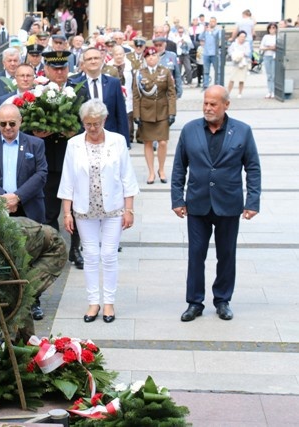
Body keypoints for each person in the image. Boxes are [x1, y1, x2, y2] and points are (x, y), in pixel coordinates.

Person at [171, 85, 261, 322]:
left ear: (226, 105)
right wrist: (177, 199)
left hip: (228, 204)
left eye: (213, 104)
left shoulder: (242, 131)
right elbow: (179, 166)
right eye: (205, 103)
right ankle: (194, 302)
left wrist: (253, 201)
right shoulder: (190, 130)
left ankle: (222, 300)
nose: (208, 108)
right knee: (195, 254)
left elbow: (252, 167)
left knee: (227, 254)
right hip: (197, 204)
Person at [57, 99, 139, 323]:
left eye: (96, 123)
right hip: (84, 209)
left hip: (113, 208)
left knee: (109, 255)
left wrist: (129, 209)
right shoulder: (74, 144)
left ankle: (109, 303)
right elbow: (68, 179)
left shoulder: (118, 141)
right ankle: (94, 302)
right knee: (91, 256)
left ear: (104, 120)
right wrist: (67, 212)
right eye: (87, 124)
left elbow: (126, 176)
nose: (92, 128)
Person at [32, 50, 84, 270]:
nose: (60, 72)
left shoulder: (78, 92)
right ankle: (54, 251)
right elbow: (28, 123)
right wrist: (36, 132)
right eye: (55, 68)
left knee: (77, 210)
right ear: (47, 70)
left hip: (72, 161)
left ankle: (75, 249)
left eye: (63, 68)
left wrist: (75, 130)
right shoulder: (37, 93)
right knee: (50, 210)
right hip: (49, 162)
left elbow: (88, 123)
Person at [0, 103, 48, 224]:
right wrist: (3, 198)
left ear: (20, 121)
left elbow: (41, 174)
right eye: (2, 123)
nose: (7, 127)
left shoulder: (36, 144)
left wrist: (17, 197)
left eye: (12, 123)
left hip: (29, 208)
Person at [12, 216, 67, 339]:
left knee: (20, 294)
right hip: (32, 250)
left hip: (52, 251)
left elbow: (13, 274)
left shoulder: (10, 235)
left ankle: (27, 346)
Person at [133, 46, 177, 185]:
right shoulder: (140, 73)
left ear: (158, 58)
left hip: (162, 111)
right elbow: (136, 96)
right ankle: (151, 171)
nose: (151, 58)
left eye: (153, 56)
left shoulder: (165, 71)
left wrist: (172, 112)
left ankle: (161, 169)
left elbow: (171, 93)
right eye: (148, 56)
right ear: (145, 59)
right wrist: (136, 114)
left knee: (163, 142)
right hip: (146, 111)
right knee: (148, 142)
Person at [77, 47, 130, 148]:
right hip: (84, 140)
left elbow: (121, 114)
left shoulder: (113, 83)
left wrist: (125, 143)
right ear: (83, 63)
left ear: (102, 60)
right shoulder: (76, 85)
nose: (93, 61)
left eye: (96, 58)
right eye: (89, 59)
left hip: (110, 138)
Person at [226, 31, 251, 98]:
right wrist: (235, 55)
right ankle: (228, 93)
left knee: (241, 79)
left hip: (243, 63)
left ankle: (240, 93)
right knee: (232, 79)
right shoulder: (234, 44)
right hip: (235, 63)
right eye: (241, 37)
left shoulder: (247, 44)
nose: (242, 38)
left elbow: (248, 52)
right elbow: (230, 51)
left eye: (244, 37)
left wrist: (242, 54)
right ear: (238, 37)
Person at [200, 17, 221, 91]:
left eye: (213, 21)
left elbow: (218, 38)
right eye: (210, 21)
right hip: (206, 53)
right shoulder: (206, 30)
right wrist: (204, 30)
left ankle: (218, 85)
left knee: (217, 70)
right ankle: (205, 85)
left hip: (215, 53)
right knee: (206, 70)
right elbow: (200, 37)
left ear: (215, 23)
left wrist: (211, 32)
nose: (211, 23)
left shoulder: (218, 30)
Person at [260, 23, 277, 99]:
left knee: (273, 75)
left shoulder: (277, 36)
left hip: (274, 57)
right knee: (269, 75)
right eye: (270, 28)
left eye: (273, 28)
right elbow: (261, 47)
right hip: (267, 56)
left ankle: (273, 91)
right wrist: (269, 48)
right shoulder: (266, 37)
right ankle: (269, 91)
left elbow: (277, 47)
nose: (272, 29)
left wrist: (272, 47)